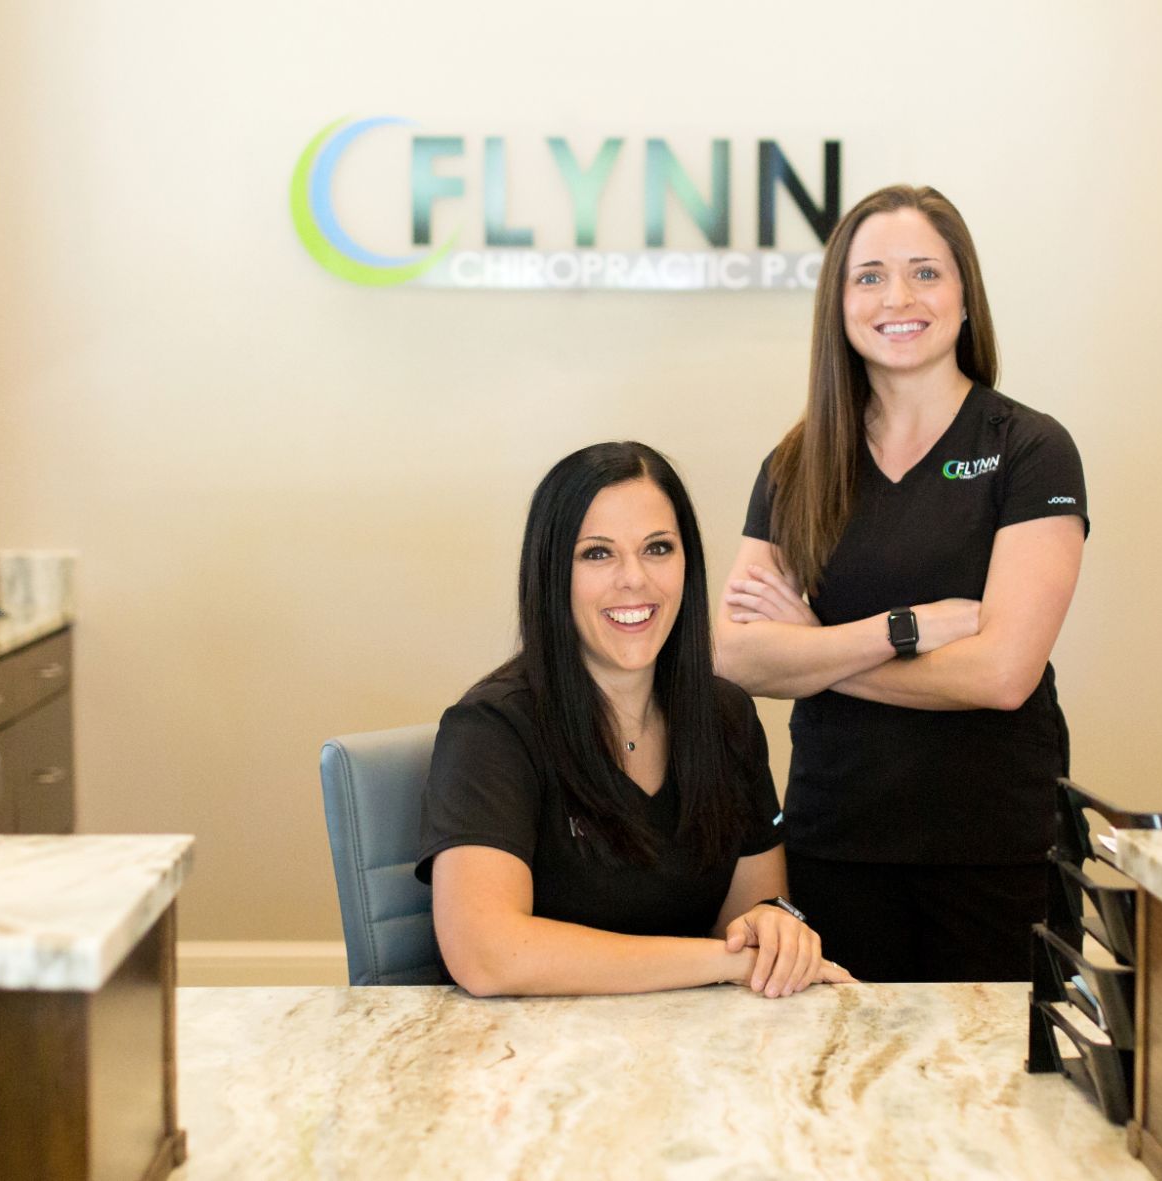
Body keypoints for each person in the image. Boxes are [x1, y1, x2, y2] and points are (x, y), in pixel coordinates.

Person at [714, 185, 1089, 983]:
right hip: (832, 844)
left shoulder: (1030, 450)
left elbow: (1001, 673)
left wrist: (810, 652)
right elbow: (736, 657)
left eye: (926, 272)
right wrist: (899, 629)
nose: (900, 298)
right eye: (871, 277)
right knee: (840, 1089)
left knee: (1000, 1096)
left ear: (963, 295)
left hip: (997, 849)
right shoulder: (797, 463)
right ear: (839, 302)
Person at [418, 441, 851, 998]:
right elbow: (488, 955)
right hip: (524, 1061)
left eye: (658, 549)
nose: (634, 580)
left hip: (688, 1050)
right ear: (552, 572)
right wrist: (722, 962)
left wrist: (768, 929)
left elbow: (747, 921)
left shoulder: (726, 716)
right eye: (597, 554)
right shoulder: (490, 729)